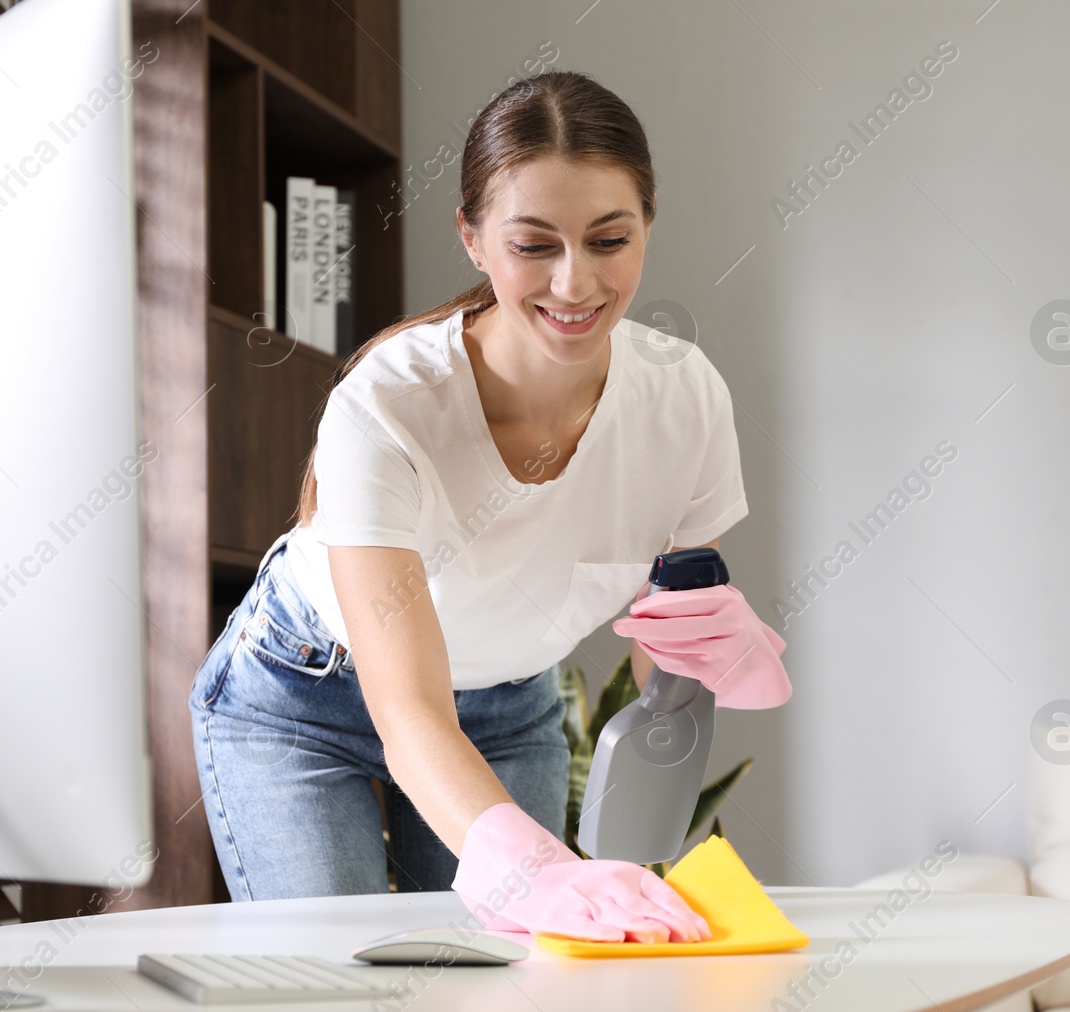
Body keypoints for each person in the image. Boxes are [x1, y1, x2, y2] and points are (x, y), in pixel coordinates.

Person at [188, 70, 790, 944]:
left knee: (505, 999)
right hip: (304, 695)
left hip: (509, 705)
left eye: (609, 238)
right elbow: (411, 714)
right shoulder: (388, 408)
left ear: (648, 228)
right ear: (472, 238)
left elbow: (680, 636)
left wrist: (713, 660)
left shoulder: (685, 399)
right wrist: (535, 867)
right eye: (534, 245)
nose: (575, 282)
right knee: (344, 979)